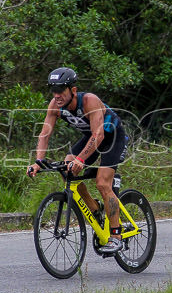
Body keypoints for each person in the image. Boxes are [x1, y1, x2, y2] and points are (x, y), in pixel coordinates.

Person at [27, 67, 130, 252]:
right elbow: (44, 134)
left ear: (72, 90)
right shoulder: (55, 106)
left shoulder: (90, 101)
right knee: (67, 170)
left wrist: (81, 159)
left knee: (103, 184)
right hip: (92, 137)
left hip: (112, 137)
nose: (56, 94)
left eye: (60, 90)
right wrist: (38, 161)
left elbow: (98, 135)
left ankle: (116, 236)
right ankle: (95, 209)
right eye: (53, 90)